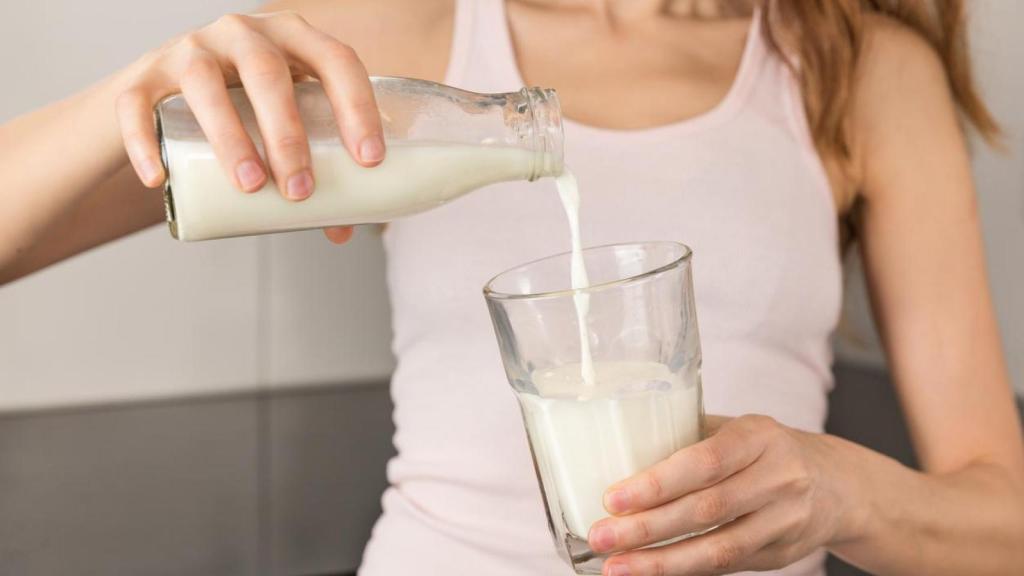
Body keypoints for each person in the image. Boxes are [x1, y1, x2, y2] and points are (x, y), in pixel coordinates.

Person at [1, 0, 1022, 574]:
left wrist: (842, 490)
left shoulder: (854, 64)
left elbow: (1004, 521)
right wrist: (126, 100)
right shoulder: (405, 34)